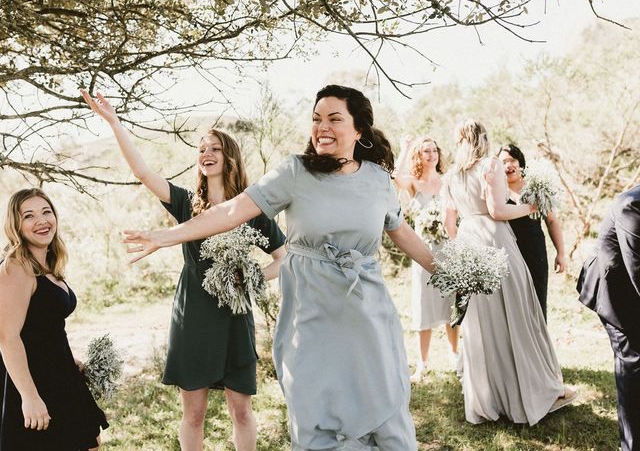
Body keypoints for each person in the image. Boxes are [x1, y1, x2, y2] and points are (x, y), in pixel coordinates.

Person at [121, 84, 436, 450]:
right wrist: (168, 236)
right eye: (317, 119)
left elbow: (401, 232)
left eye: (335, 119)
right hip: (311, 316)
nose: (323, 127)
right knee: (317, 413)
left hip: (366, 316)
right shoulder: (295, 172)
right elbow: (230, 211)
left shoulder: (379, 180)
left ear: (359, 129)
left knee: (383, 409)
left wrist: (447, 271)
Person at [81, 90, 286, 451]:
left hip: (236, 319)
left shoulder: (252, 208)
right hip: (193, 317)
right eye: (201, 149)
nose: (206, 154)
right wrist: (115, 124)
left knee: (242, 411)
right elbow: (143, 172)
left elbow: (285, 259)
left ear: (230, 157)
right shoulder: (186, 204)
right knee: (193, 414)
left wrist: (250, 279)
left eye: (215, 148)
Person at [441, 119, 575, 426]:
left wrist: (460, 248)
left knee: (482, 328)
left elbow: (451, 223)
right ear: (483, 139)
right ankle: (533, 391)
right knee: (518, 317)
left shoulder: (451, 176)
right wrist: (530, 208)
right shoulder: (489, 165)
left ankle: (488, 401)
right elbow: (498, 210)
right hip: (494, 242)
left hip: (468, 243)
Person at [0, 188, 109, 451]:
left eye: (46, 212)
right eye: (29, 215)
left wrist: (67, 359)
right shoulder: (17, 267)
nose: (41, 221)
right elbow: (7, 337)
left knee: (89, 441)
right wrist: (30, 397)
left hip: (60, 373)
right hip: (33, 381)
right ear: (16, 225)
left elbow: (41, 326)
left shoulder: (47, 264)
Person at [577, 185, 640, 451]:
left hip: (631, 281)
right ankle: (631, 444)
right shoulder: (632, 205)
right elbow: (637, 269)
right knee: (633, 361)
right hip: (616, 290)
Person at [395, 135, 460, 380]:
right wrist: (405, 148)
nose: (431, 155)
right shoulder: (414, 183)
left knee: (452, 303)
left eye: (434, 150)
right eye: (425, 152)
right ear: (419, 157)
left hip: (448, 250)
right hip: (423, 252)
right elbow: (395, 178)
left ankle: (455, 354)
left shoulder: (446, 182)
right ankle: (422, 363)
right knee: (424, 304)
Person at [497, 144, 566, 319]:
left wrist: (561, 253)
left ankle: (539, 343)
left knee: (537, 300)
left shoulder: (535, 187)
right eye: (503, 162)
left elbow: (551, 221)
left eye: (512, 160)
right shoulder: (496, 192)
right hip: (507, 253)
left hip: (535, 252)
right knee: (514, 305)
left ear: (520, 162)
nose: (508, 165)